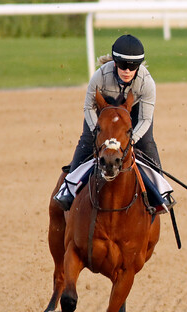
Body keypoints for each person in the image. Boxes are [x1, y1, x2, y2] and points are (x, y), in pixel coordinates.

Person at [54, 34, 161, 210]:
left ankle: (159, 192)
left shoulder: (147, 82)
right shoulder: (100, 76)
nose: (127, 70)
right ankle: (68, 189)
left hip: (133, 113)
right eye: (123, 65)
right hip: (103, 114)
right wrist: (98, 132)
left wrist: (132, 139)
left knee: (147, 143)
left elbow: (145, 119)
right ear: (114, 63)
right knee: (87, 142)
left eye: (133, 66)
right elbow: (88, 107)